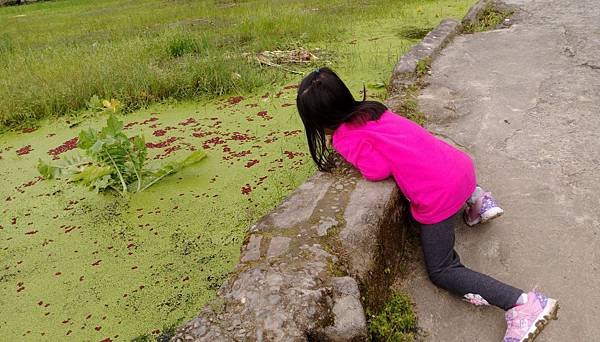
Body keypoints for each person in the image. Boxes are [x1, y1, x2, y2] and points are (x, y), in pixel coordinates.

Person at [295, 67, 558, 341]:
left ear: (319, 120)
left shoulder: (345, 137)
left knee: (442, 271)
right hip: (463, 171)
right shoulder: (373, 109)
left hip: (439, 195)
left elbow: (377, 170)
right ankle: (478, 200)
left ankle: (522, 303)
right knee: (441, 172)